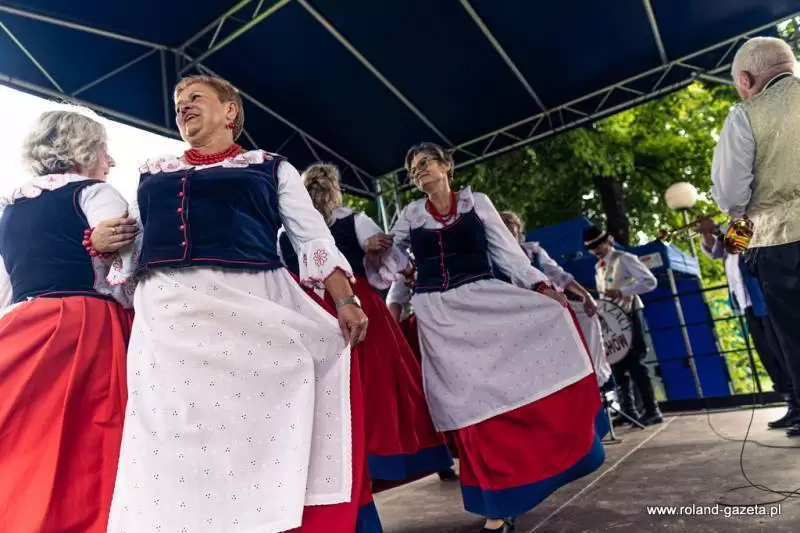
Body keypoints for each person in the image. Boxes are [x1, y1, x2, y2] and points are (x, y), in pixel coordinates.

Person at [90, 75, 379, 533]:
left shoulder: (270, 167)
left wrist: (344, 298)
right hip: (167, 320)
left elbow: (312, 238)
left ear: (230, 111)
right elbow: (132, 245)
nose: (183, 107)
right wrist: (103, 242)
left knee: (252, 430)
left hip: (250, 308)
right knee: (177, 439)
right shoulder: (151, 172)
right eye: (178, 102)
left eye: (195, 98)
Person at [378, 142, 604, 533]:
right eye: (412, 169)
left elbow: (509, 255)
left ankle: (519, 488)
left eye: (425, 162)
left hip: (483, 302)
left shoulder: (476, 203)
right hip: (437, 316)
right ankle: (497, 503)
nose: (418, 171)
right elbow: (390, 265)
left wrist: (541, 287)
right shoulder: (410, 214)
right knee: (468, 408)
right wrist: (379, 256)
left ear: (447, 166)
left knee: (507, 391)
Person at [0, 110, 134, 532]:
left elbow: (7, 285)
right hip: (85, 325)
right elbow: (127, 268)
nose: (110, 161)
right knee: (89, 439)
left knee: (24, 438)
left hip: (24, 325)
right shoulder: (95, 193)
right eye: (104, 150)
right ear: (85, 149)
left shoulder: (9, 207)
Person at [278, 162, 454, 483]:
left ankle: (356, 468)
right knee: (385, 384)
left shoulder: (290, 232)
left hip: (322, 312)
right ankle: (406, 458)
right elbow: (395, 261)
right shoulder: (349, 222)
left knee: (346, 388)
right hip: (350, 306)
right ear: (335, 190)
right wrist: (402, 268)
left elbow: (285, 280)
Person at [710, 36, 800, 438]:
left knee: (795, 337)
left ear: (745, 79)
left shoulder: (745, 116)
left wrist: (739, 215)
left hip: (780, 244)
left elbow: (731, 196)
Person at [696, 215, 800, 435]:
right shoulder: (731, 225)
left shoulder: (749, 217)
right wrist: (707, 233)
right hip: (748, 302)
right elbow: (716, 252)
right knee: (770, 356)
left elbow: (738, 243)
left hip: (764, 297)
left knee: (785, 352)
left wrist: (715, 229)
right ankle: (793, 404)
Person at [498, 211, 612, 388]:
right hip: (518, 314)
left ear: (519, 234)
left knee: (586, 315)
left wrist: (586, 295)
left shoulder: (533, 252)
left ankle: (594, 375)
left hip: (548, 307)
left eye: (514, 234)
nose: (511, 239)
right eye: (506, 234)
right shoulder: (494, 258)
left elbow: (560, 275)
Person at [583, 225, 662, 426]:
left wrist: (623, 291)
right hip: (611, 319)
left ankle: (652, 410)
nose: (596, 250)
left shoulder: (625, 258)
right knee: (617, 363)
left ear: (608, 240)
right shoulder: (598, 267)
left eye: (598, 245)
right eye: (591, 248)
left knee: (636, 362)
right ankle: (629, 410)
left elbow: (650, 282)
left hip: (630, 312)